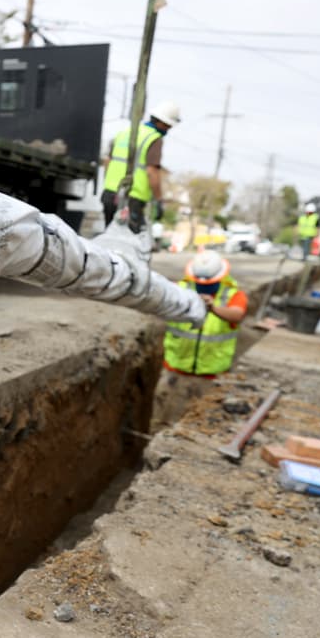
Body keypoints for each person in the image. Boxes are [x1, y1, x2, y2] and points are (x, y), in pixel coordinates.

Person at [153, 251, 248, 423]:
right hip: (175, 370)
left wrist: (214, 308)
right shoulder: (179, 289)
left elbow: (237, 315)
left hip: (210, 376)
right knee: (162, 418)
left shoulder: (233, 295)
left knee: (199, 423)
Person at [101, 101, 181, 234]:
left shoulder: (125, 133)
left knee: (110, 237)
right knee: (130, 242)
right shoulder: (154, 138)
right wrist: (159, 199)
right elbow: (152, 172)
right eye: (168, 126)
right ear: (162, 123)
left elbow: (108, 162)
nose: (168, 129)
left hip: (110, 194)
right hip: (132, 198)